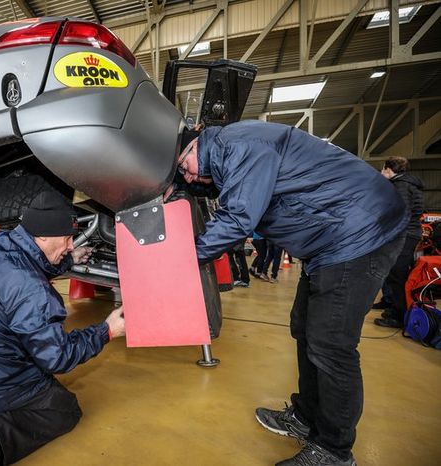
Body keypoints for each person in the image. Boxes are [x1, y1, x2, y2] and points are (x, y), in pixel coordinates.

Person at [177, 120, 406, 465]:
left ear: (196, 145)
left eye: (184, 166)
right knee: (303, 327)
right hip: (329, 241)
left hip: (359, 233)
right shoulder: (228, 154)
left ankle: (334, 450)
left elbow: (239, 218)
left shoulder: (235, 145)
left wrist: (181, 261)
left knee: (331, 345)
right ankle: (307, 416)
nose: (188, 176)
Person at [0, 191, 126, 466]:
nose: (70, 244)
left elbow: (27, 265)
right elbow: (57, 357)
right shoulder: (33, 293)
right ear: (43, 236)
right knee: (64, 409)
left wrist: (69, 259)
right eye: (67, 239)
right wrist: (107, 330)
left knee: (7, 370)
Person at [374, 156, 424, 328]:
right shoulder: (408, 184)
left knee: (397, 275)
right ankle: (390, 303)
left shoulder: (401, 186)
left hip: (404, 234)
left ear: (389, 169)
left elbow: (400, 212)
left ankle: (399, 315)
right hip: (409, 233)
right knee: (392, 272)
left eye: (383, 169)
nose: (381, 173)